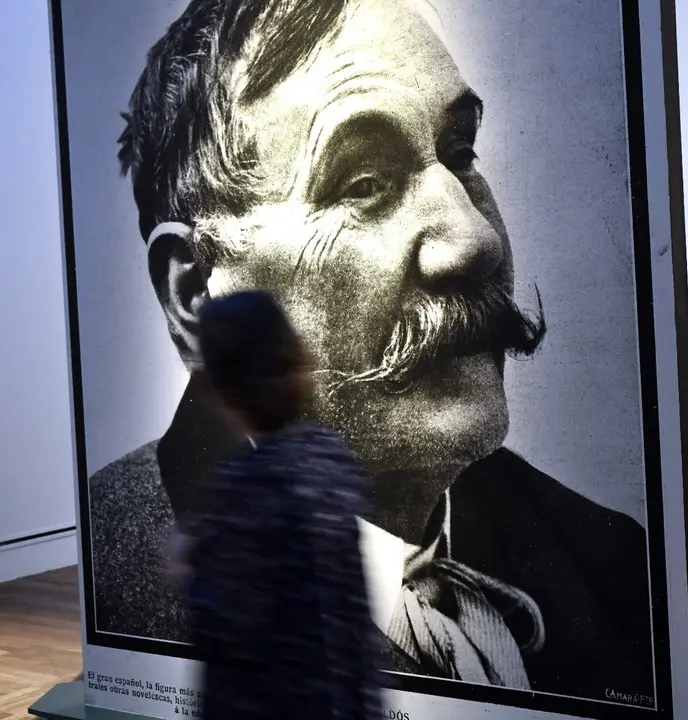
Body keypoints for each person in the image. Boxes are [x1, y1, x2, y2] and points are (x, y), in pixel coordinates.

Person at [88, 0, 655, 705]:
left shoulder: (609, 556)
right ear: (196, 294)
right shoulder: (120, 574)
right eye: (362, 184)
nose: (475, 241)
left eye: (460, 154)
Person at [166, 290, 379, 720]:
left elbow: (228, 628)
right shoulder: (330, 455)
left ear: (222, 389)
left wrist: (189, 570)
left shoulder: (247, 485)